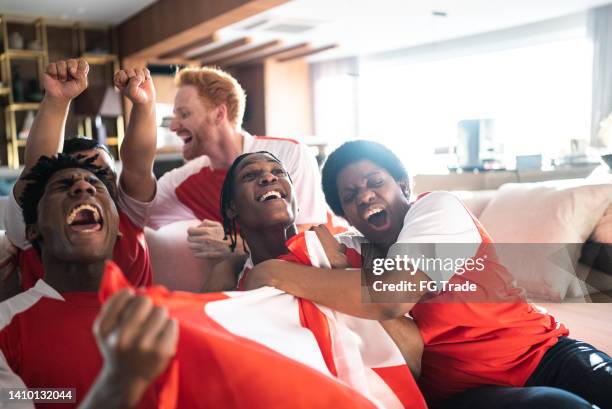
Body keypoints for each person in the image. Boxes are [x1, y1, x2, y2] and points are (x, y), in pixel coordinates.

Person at [244, 140, 611, 409]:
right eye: (351, 195)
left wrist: (275, 273)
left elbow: (392, 296)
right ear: (346, 215)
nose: (365, 197)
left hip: (546, 354)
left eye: (375, 183)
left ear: (403, 186)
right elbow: (281, 259)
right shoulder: (352, 250)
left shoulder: (437, 209)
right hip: (465, 395)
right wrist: (233, 255)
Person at [143, 66, 328, 264]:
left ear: (219, 114)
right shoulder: (184, 180)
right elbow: (134, 212)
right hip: (255, 281)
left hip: (325, 272)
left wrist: (237, 245)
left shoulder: (290, 153)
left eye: (184, 114)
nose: (173, 126)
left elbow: (309, 244)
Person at [4, 58, 157, 289]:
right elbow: (38, 168)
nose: (86, 187)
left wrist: (145, 106)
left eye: (101, 176)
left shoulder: (126, 214)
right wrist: (57, 100)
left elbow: (138, 167)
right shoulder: (35, 221)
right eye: (67, 181)